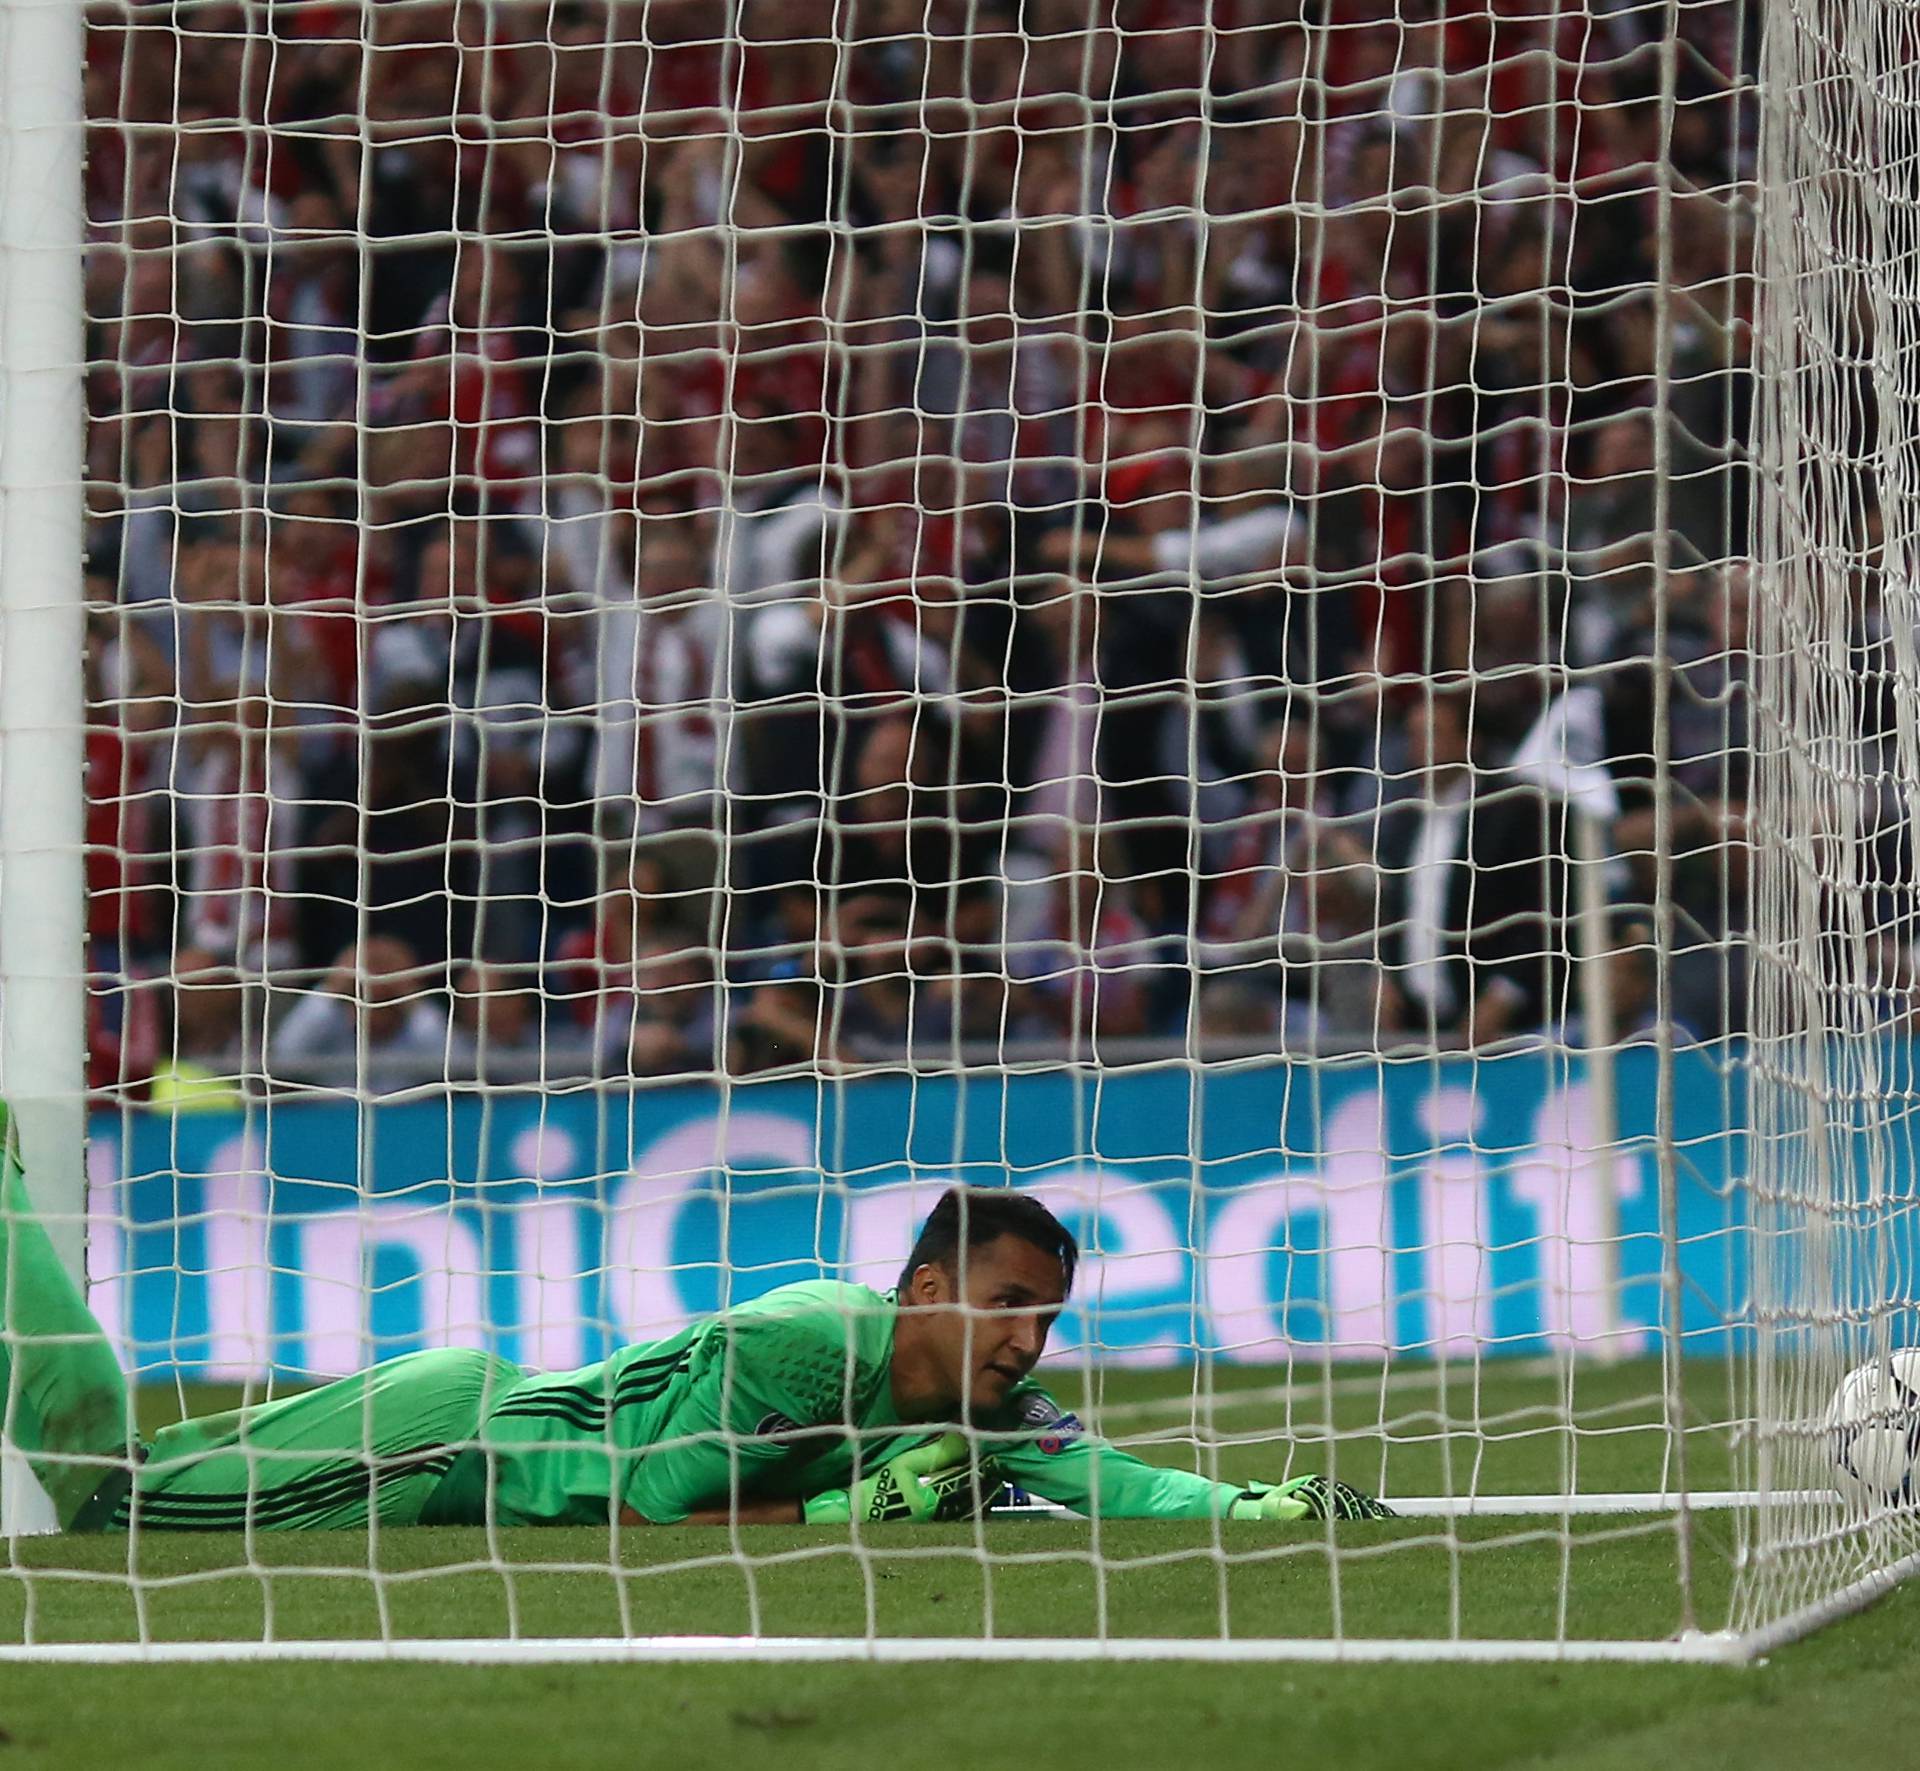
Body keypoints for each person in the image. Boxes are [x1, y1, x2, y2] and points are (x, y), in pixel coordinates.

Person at [0, 1107, 1392, 1532]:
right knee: (108, 1505)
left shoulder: (986, 1409)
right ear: (926, 1292)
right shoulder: (804, 1339)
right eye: (1010, 1307)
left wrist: (1270, 1504)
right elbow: (660, 1495)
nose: (1030, 1343)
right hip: (450, 1445)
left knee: (141, 1480)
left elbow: (1119, 1481)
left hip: (448, 1437)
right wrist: (855, 1511)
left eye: (1048, 1318)